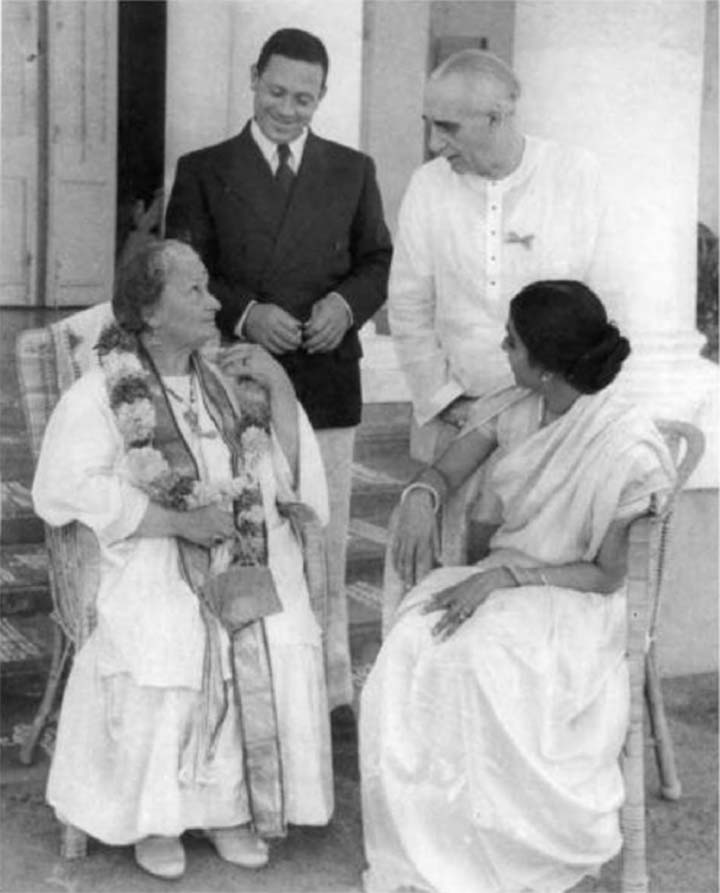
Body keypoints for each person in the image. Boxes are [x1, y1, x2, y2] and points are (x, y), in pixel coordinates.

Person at [360, 281, 675, 893]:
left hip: (576, 598)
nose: (503, 348)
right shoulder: (514, 407)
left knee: (482, 659)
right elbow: (448, 469)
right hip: (501, 579)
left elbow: (607, 575)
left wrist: (508, 578)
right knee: (412, 643)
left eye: (513, 341)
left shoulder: (628, 446)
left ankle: (515, 853)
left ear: (549, 367)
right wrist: (423, 495)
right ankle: (441, 838)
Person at [32, 240, 333, 880]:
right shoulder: (100, 394)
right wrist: (175, 522)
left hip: (239, 546)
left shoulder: (229, 379)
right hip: (147, 550)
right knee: (167, 633)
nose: (215, 301)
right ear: (149, 310)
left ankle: (229, 808)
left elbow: (285, 474)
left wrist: (278, 387)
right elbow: (64, 490)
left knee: (277, 629)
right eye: (194, 290)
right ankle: (156, 816)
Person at [165, 28, 393, 717]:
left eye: (305, 98)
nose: (288, 109)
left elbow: (378, 262)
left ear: (322, 97)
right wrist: (246, 312)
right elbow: (180, 270)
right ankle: (236, 687)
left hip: (324, 379)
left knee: (320, 533)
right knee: (244, 529)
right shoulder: (204, 168)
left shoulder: (353, 169)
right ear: (253, 78)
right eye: (276, 92)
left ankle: (324, 694)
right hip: (234, 379)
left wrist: (345, 306)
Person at [389, 50, 622, 463]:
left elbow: (608, 299)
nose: (433, 143)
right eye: (428, 125)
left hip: (557, 425)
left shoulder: (575, 174)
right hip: (454, 422)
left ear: (498, 116)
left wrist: (566, 408)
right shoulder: (427, 186)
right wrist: (447, 403)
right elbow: (410, 308)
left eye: (447, 127)